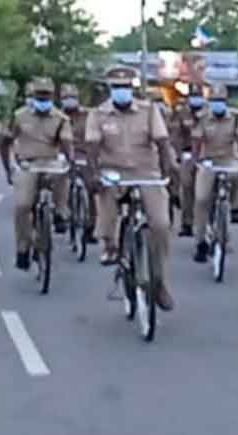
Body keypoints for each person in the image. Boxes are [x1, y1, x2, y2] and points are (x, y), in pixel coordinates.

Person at [85, 66, 176, 311]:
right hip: (113, 173)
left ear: (132, 89)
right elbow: (92, 145)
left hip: (146, 173)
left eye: (125, 87)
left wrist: (167, 170)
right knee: (107, 205)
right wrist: (94, 173)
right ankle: (110, 245)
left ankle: (158, 282)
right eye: (116, 88)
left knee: (160, 224)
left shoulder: (148, 111)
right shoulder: (98, 114)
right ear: (110, 90)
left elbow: (162, 141)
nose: (121, 92)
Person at [0, 76, 74, 270]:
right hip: (28, 164)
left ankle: (60, 213)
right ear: (33, 96)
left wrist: (70, 161)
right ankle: (22, 249)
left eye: (46, 95)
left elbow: (66, 143)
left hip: (51, 163)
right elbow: (5, 141)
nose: (43, 99)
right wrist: (8, 168)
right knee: (23, 206)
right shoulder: (20, 116)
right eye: (39, 95)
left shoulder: (60, 118)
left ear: (53, 96)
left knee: (63, 175)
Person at [190, 83, 238, 262]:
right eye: (215, 100)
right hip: (208, 160)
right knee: (201, 199)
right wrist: (196, 161)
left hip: (229, 159)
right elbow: (196, 140)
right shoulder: (203, 117)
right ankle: (200, 242)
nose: (218, 104)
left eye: (221, 100)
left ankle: (234, 208)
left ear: (226, 101)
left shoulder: (236, 117)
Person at [60, 83, 97, 243]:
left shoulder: (89, 115)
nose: (70, 101)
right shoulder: (56, 116)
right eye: (66, 98)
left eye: (73, 97)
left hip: (85, 155)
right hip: (62, 157)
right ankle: (60, 215)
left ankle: (91, 226)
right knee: (59, 184)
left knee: (92, 188)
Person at [169, 83, 206, 237]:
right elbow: (175, 135)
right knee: (187, 186)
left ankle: (213, 225)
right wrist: (178, 154)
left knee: (209, 190)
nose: (196, 99)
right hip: (188, 152)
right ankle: (187, 223)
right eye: (193, 96)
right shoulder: (181, 112)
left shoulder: (210, 112)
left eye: (198, 96)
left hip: (207, 154)